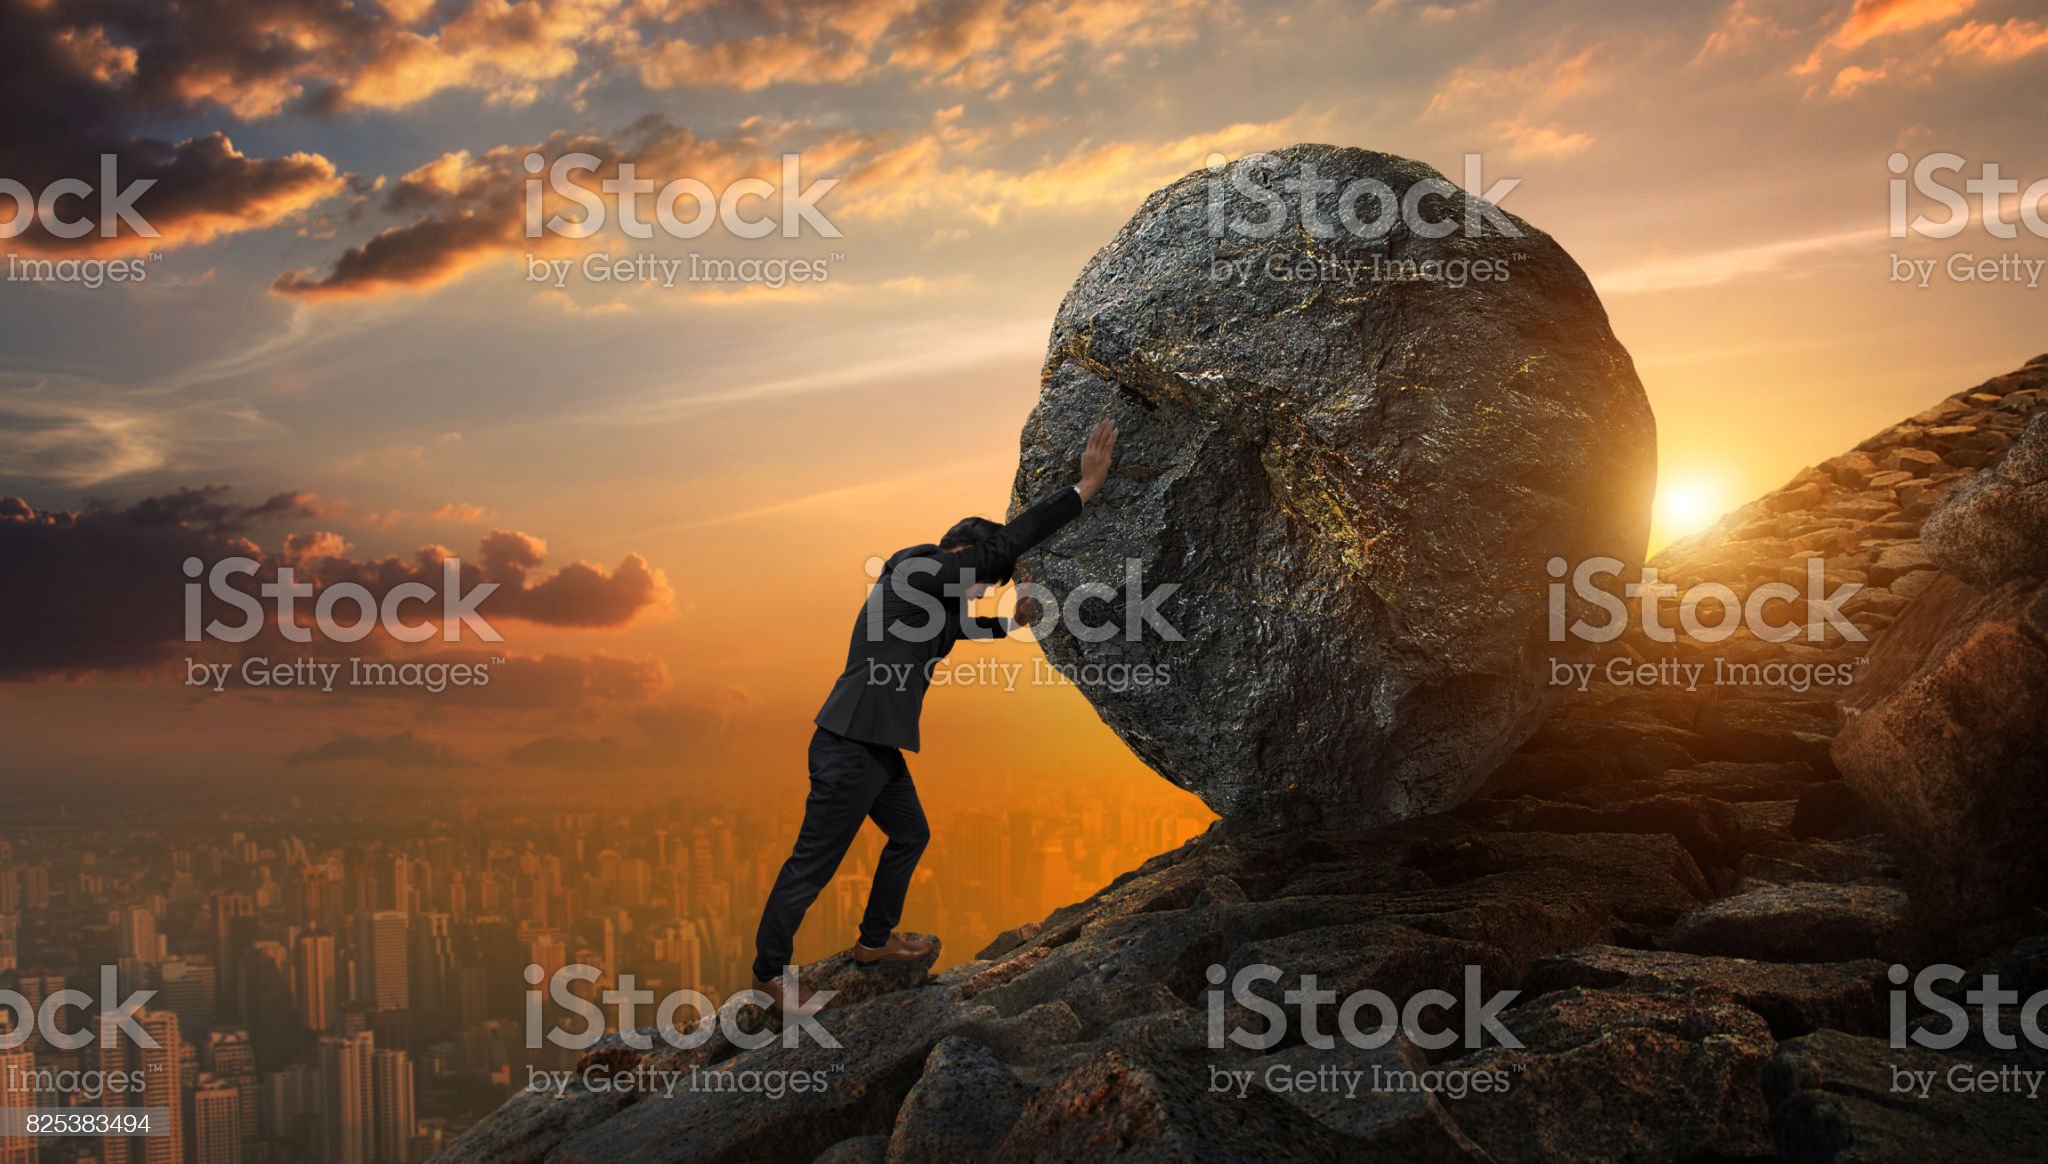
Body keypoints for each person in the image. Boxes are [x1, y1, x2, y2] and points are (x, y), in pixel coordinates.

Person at [749, 418, 1120, 1008]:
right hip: (849, 746)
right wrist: (1085, 488)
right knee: (813, 864)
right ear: (962, 555)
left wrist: (1009, 622)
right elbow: (1007, 543)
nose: (980, 591)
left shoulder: (925, 602)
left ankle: (873, 942)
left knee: (911, 834)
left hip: (874, 749)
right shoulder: (918, 572)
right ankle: (769, 974)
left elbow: (960, 628)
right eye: (982, 581)